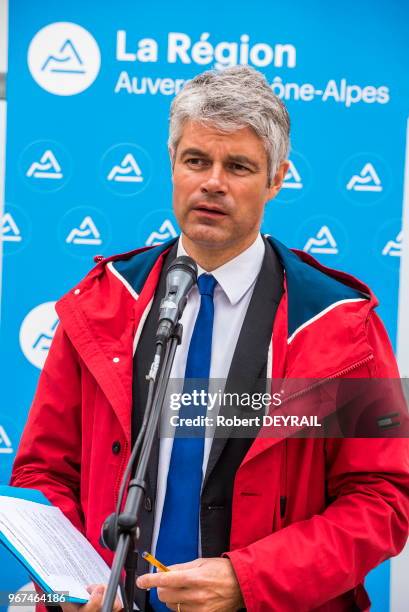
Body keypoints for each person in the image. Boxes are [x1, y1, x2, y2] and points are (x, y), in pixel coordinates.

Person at [11, 66, 409, 612]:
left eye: (238, 166)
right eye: (196, 160)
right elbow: (46, 474)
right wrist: (67, 584)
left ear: (276, 179)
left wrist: (250, 579)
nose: (212, 182)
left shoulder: (341, 324)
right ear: (173, 165)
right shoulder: (102, 302)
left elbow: (382, 500)